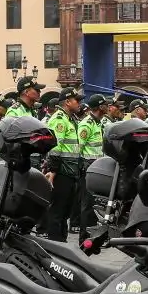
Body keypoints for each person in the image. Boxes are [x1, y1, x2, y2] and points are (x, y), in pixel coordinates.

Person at [40, 89, 83, 240]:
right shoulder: (59, 119)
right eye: (77, 100)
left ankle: (62, 241)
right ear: (67, 102)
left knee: (65, 212)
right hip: (61, 172)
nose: (79, 103)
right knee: (57, 211)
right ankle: (55, 244)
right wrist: (53, 171)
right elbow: (55, 148)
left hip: (70, 172)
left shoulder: (70, 119)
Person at [76, 93, 107, 236]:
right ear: (100, 107)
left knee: (96, 203)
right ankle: (84, 236)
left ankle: (93, 233)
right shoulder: (86, 124)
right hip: (88, 167)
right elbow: (78, 148)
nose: (108, 107)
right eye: (105, 104)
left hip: (98, 168)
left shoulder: (98, 122)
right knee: (87, 204)